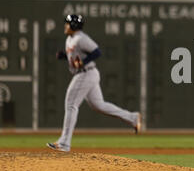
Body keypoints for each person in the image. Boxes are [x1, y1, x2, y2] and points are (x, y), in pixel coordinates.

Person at [47, 15, 141, 152]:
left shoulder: (81, 38)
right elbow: (75, 57)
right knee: (99, 105)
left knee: (71, 104)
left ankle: (64, 143)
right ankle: (132, 118)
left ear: (74, 25)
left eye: (67, 23)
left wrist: (84, 62)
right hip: (87, 74)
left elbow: (97, 52)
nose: (65, 26)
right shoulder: (70, 39)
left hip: (86, 73)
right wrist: (63, 56)